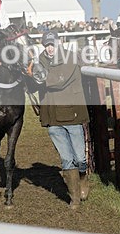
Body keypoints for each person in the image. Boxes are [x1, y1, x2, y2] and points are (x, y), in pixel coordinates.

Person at [37, 30, 90, 209]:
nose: (50, 49)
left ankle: (83, 176)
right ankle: (74, 197)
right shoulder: (40, 60)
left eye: (52, 44)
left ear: (59, 42)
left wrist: (36, 75)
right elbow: (34, 83)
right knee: (67, 159)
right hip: (52, 116)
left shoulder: (70, 58)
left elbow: (58, 81)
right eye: (46, 45)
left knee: (80, 158)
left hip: (72, 114)